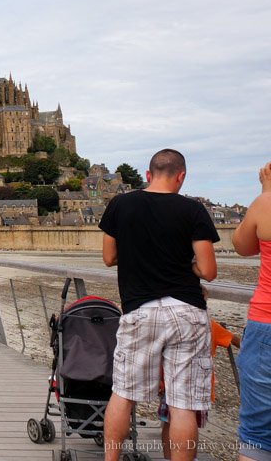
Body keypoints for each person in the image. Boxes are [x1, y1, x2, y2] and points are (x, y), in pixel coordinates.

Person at [98, 149, 218, 461]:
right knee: (182, 403)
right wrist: (184, 266)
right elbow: (208, 271)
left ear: (148, 175)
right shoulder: (194, 210)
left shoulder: (121, 204)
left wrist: (140, 256)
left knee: (123, 394)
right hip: (186, 311)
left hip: (140, 310)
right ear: (181, 177)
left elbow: (109, 257)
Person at [158, 288, 241, 459]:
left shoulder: (170, 322)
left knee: (169, 422)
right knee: (190, 422)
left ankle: (169, 457)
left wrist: (158, 380)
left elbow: (158, 354)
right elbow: (234, 340)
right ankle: (190, 457)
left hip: (170, 380)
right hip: (198, 382)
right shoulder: (210, 324)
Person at [231, 160, 271, 461]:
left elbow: (242, 245)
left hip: (267, 322)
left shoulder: (266, 203)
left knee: (257, 437)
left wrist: (266, 192)